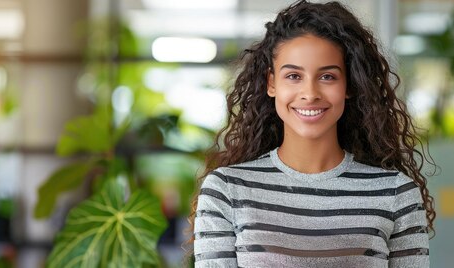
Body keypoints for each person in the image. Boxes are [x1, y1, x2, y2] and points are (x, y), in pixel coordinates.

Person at [185, 0, 435, 267]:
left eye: (327, 77)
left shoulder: (396, 193)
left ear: (349, 84)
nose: (310, 93)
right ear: (272, 83)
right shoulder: (227, 190)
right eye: (293, 76)